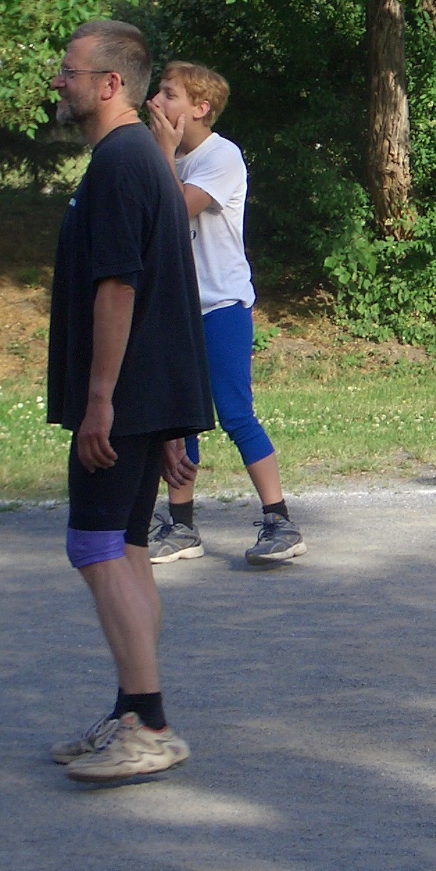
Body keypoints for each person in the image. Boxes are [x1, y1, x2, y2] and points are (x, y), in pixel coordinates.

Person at [44, 21, 214, 782]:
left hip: (125, 397)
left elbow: (120, 286)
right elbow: (168, 281)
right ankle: (131, 712)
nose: (59, 82)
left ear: (110, 84)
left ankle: (149, 723)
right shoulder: (145, 157)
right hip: (150, 394)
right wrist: (171, 417)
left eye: (70, 71)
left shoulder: (119, 162)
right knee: (130, 548)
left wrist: (100, 401)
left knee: (95, 546)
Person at [143, 60, 306, 566]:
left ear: (200, 108)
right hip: (176, 310)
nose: (155, 102)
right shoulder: (159, 154)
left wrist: (163, 152)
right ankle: (182, 527)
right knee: (176, 422)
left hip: (221, 306)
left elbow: (173, 210)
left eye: (169, 94)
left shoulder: (222, 156)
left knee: (235, 414)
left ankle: (280, 521)